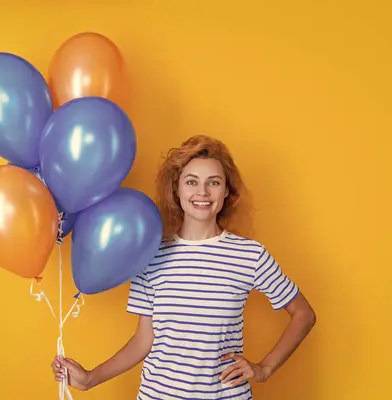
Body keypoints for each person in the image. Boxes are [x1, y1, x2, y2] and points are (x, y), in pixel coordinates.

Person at [51, 135, 317, 399]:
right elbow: (144, 340)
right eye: (191, 182)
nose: (202, 192)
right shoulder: (151, 254)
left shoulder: (250, 256)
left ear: (226, 191)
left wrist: (264, 369)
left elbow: (304, 314)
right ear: (176, 190)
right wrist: (90, 378)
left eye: (213, 183)